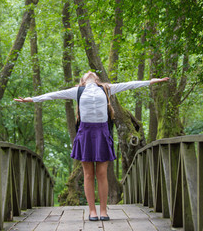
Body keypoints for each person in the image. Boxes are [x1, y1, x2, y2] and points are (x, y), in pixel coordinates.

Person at [14, 71, 169, 221]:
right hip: (85, 133)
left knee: (102, 173)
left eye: (92, 73)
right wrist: (32, 99)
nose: (89, 73)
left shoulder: (106, 88)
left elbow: (129, 85)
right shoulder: (77, 91)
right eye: (87, 73)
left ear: (96, 79)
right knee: (88, 174)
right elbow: (54, 95)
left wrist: (151, 81)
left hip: (102, 132)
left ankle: (103, 210)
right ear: (82, 80)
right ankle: (92, 211)